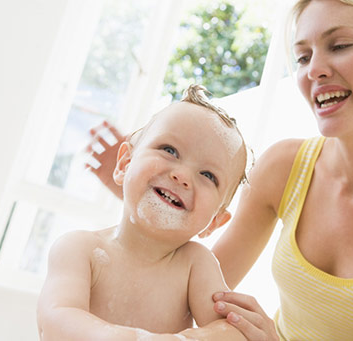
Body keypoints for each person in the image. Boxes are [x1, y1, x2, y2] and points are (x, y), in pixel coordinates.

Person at [87, 0, 353, 340]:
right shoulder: (285, 167)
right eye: (303, 56)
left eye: (339, 46)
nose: (314, 71)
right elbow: (191, 294)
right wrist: (144, 196)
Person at [37, 84, 249, 340]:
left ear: (214, 221)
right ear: (125, 163)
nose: (182, 176)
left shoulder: (195, 264)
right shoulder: (81, 248)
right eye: (170, 150)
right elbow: (56, 320)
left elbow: (233, 333)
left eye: (207, 175)